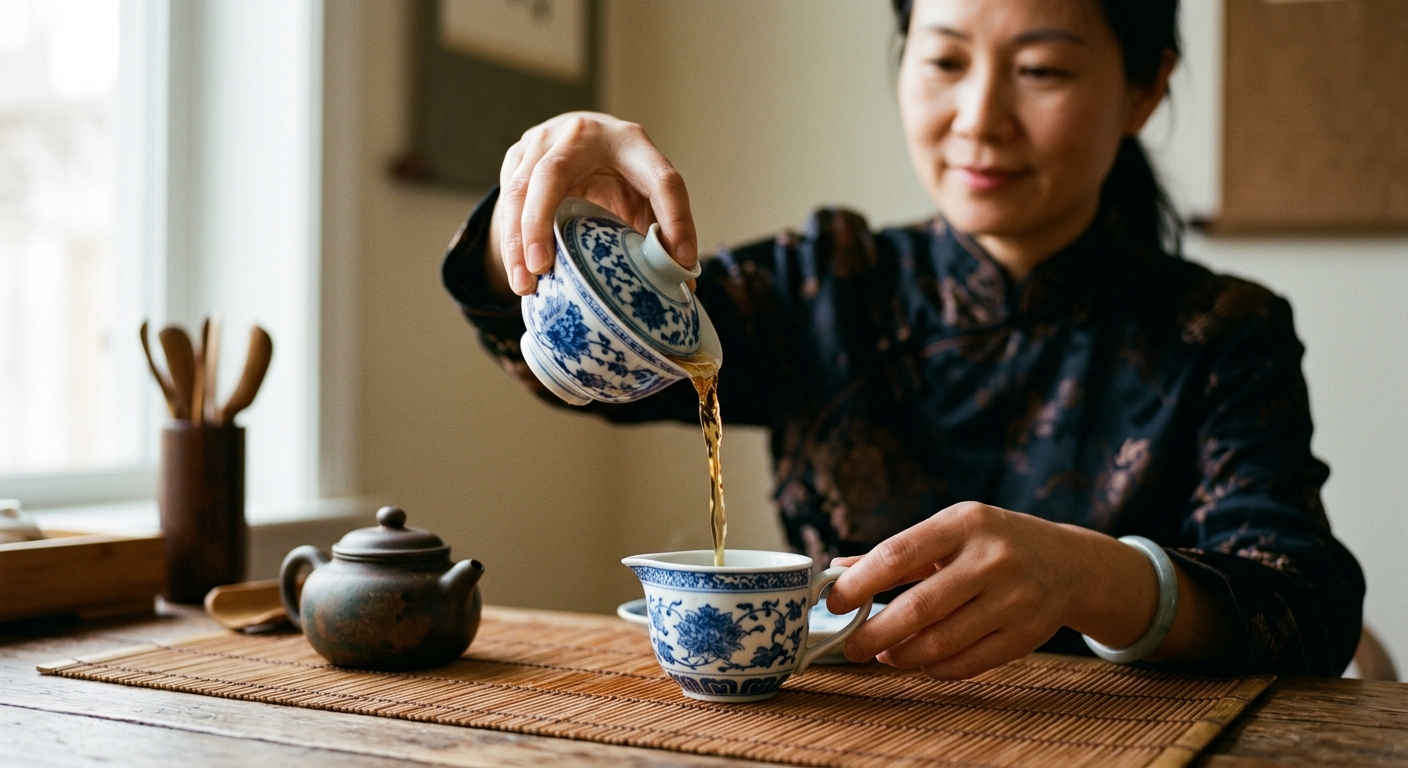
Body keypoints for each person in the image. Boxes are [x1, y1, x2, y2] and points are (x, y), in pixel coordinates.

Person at [442, 0, 1365, 678]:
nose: (981, 118)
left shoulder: (1223, 333)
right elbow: (584, 366)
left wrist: (1093, 575)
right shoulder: (828, 283)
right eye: (946, 61)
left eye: (1041, 70)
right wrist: (529, 225)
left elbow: (1310, 608)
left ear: (1144, 88)